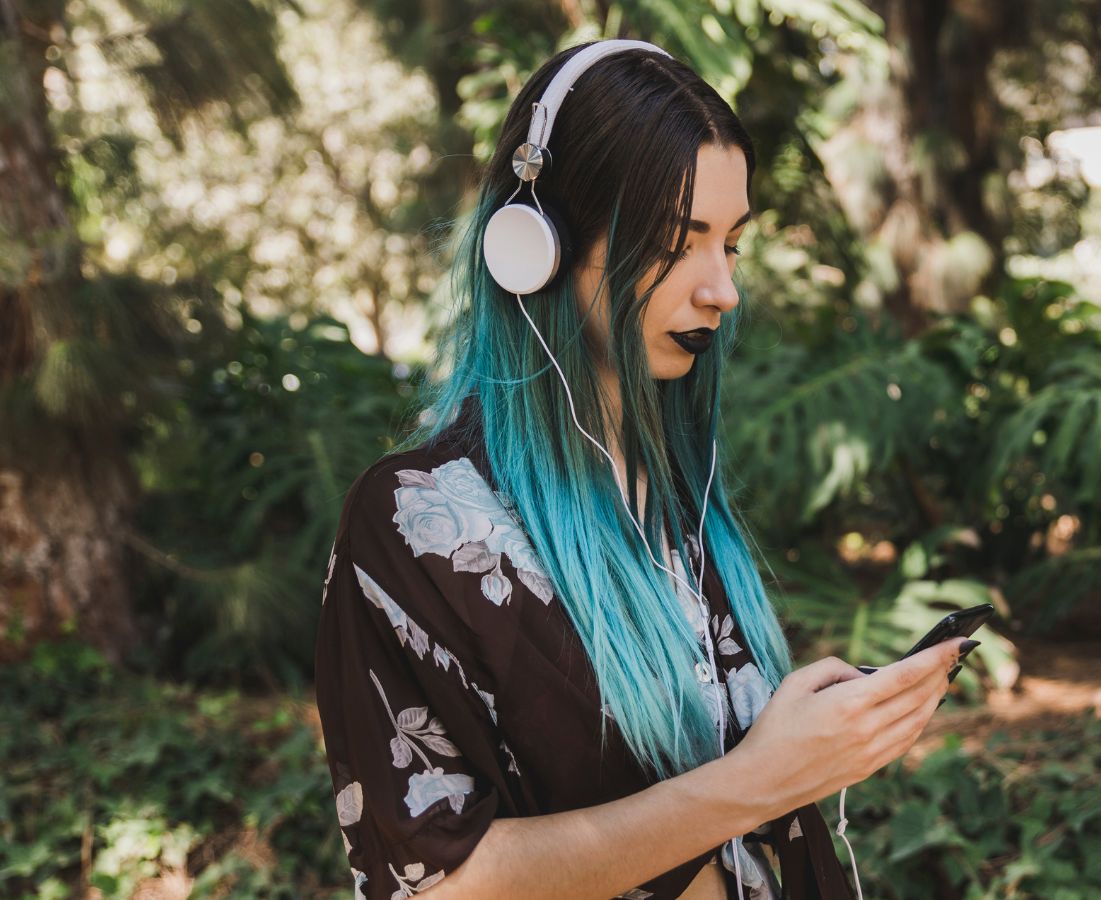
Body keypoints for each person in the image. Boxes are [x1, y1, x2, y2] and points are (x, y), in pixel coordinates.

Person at [312, 39, 969, 900]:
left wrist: (816, 742)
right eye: (677, 240)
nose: (721, 290)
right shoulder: (413, 523)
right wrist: (756, 782)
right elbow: (437, 885)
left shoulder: (680, 496)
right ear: (535, 243)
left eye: (732, 244)